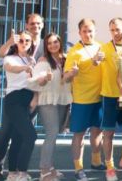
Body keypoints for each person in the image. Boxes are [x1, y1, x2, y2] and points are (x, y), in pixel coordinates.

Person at [0, 31, 41, 181]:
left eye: (27, 41)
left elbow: (35, 82)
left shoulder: (32, 59)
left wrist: (35, 98)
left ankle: (13, 171)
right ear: (16, 42)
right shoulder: (10, 57)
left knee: (19, 137)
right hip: (14, 99)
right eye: (21, 40)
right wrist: (24, 68)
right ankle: (19, 171)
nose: (24, 43)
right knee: (29, 135)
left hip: (29, 99)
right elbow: (10, 68)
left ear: (31, 43)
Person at [63, 19, 106, 181]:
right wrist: (72, 73)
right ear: (79, 33)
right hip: (82, 100)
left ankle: (96, 162)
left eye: (90, 31)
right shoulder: (74, 52)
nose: (88, 34)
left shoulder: (102, 47)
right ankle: (78, 168)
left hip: (100, 98)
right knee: (79, 135)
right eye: (84, 31)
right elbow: (65, 78)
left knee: (97, 131)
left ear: (95, 31)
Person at [35, 33, 73, 181]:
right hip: (48, 100)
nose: (52, 45)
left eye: (55, 42)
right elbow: (38, 82)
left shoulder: (66, 59)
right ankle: (44, 170)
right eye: (49, 43)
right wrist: (45, 78)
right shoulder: (43, 60)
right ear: (46, 46)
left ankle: (50, 168)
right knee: (51, 133)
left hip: (62, 100)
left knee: (55, 133)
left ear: (60, 42)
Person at [99, 17, 122, 181]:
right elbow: (96, 62)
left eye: (118, 29)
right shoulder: (104, 48)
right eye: (112, 30)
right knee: (109, 132)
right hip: (109, 96)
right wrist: (96, 60)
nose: (115, 32)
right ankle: (110, 167)